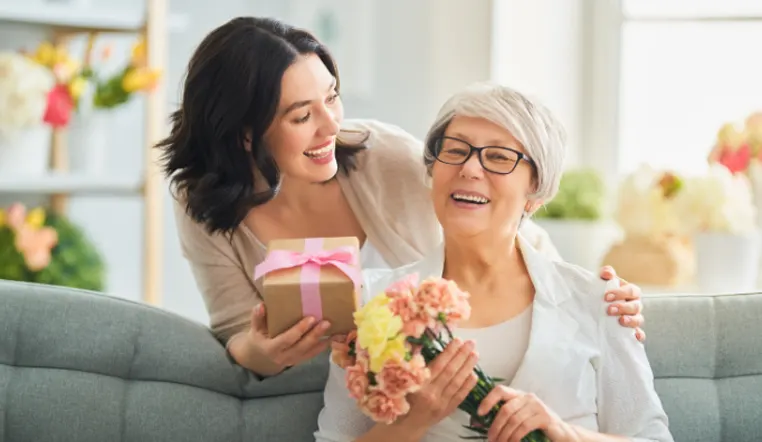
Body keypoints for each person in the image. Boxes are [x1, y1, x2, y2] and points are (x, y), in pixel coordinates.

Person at [157, 16, 645, 379]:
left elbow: (511, 231)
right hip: (350, 398)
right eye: (302, 116)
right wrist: (260, 353)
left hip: (470, 365)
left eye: (332, 97)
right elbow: (234, 330)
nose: (332, 125)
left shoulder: (378, 154)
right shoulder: (200, 202)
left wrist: (592, 298)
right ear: (244, 134)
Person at [315, 82, 672, 442]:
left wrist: (566, 434)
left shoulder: (600, 300)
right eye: (455, 151)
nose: (470, 168)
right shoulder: (371, 301)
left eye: (499, 157)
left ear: (535, 191)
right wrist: (414, 421)